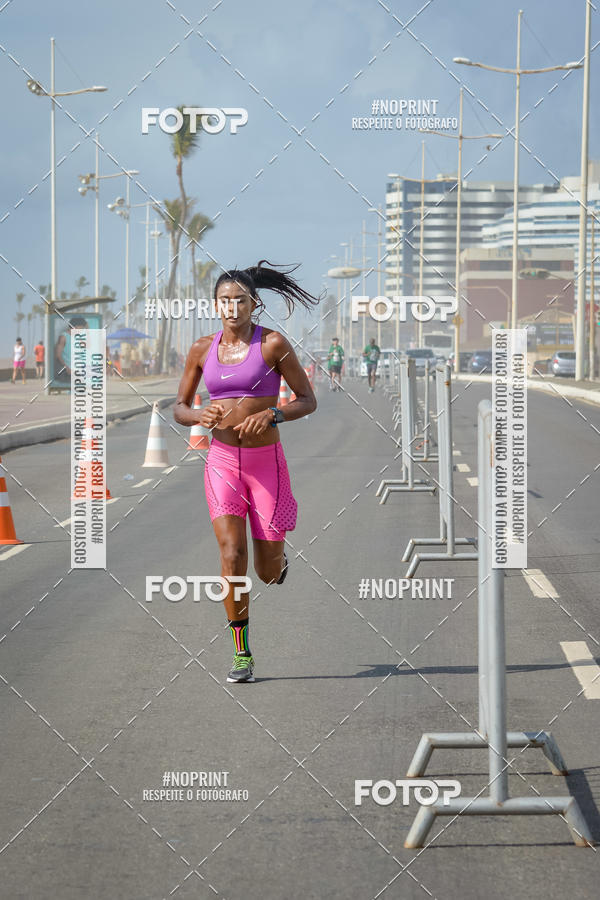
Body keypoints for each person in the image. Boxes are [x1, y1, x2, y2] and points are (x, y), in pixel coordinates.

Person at [174, 260, 320, 684]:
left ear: (254, 304)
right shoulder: (202, 349)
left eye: (240, 300)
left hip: (264, 463)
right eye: (225, 300)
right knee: (231, 555)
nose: (232, 307)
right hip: (222, 462)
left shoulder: (273, 344)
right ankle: (242, 654)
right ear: (215, 305)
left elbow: (307, 399)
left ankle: (278, 561)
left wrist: (274, 414)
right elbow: (179, 407)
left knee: (267, 572)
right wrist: (199, 414)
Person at [54, 316, 88, 385]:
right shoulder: (63, 337)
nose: (82, 330)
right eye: (81, 328)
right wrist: (66, 368)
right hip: (67, 372)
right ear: (75, 326)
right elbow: (58, 355)